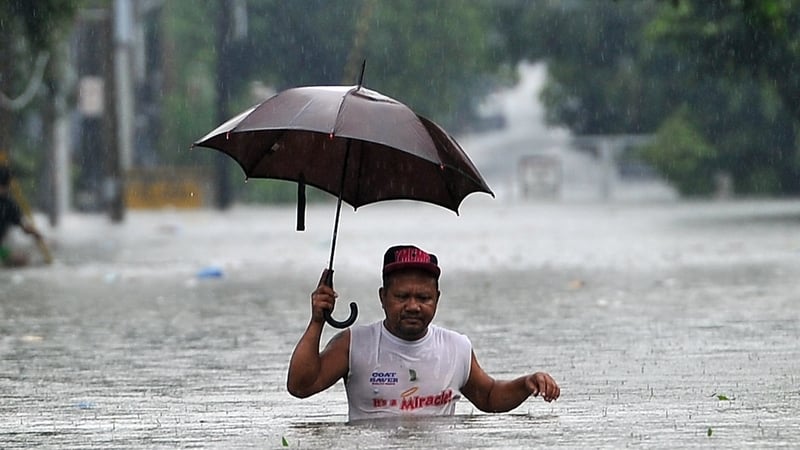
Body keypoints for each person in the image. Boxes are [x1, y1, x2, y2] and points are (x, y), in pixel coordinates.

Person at [287, 244, 560, 421]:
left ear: (437, 298)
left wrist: (526, 383)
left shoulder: (456, 347)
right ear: (383, 297)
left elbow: (488, 397)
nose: (413, 306)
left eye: (424, 298)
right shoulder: (354, 344)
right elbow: (300, 386)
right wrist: (317, 322)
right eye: (402, 296)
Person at [0, 166, 45, 267]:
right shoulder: (8, 204)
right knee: (21, 260)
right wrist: (37, 234)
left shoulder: (8, 204)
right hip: (1, 251)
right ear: (9, 184)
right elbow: (24, 227)